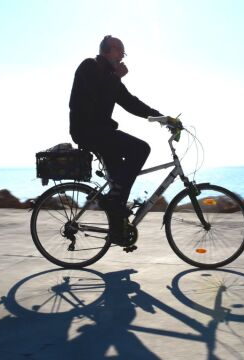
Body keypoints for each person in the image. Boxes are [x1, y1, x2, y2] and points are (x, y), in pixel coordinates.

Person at [68, 35, 175, 245]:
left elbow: (130, 103)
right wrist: (116, 77)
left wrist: (162, 118)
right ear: (109, 50)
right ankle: (113, 200)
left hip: (101, 132)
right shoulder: (90, 66)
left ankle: (118, 232)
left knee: (120, 182)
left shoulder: (110, 75)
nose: (122, 57)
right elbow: (94, 99)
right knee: (141, 149)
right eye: (121, 52)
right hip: (87, 130)